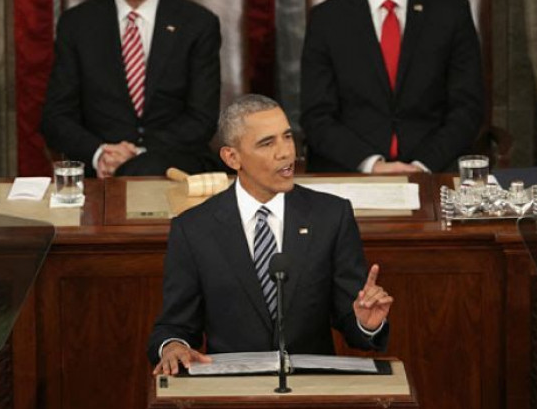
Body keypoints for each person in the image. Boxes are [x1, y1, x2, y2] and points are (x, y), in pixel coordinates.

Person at [148, 94, 393, 375]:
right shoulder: (194, 228)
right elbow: (175, 326)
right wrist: (173, 346)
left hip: (312, 387)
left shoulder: (331, 216)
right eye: (267, 143)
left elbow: (352, 320)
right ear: (232, 157)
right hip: (232, 389)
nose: (285, 153)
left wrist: (366, 323)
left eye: (287, 137)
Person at [300, 0, 484, 174]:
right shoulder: (327, 19)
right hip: (352, 169)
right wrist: (371, 165)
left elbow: (467, 108)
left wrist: (422, 166)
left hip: (434, 169)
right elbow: (316, 115)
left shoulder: (451, 13)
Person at [41, 0, 221, 178]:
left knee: (143, 170)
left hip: (174, 163)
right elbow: (56, 117)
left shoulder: (198, 24)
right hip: (101, 167)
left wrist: (137, 155)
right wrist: (99, 154)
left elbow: (202, 118)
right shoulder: (76, 25)